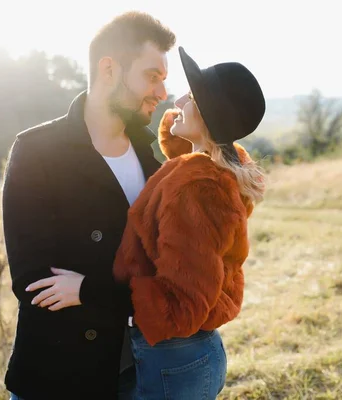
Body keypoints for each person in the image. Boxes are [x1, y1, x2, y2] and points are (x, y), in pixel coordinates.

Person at [32, 46, 267, 399]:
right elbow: (182, 184)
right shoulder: (215, 171)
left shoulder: (198, 188)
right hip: (188, 356)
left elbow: (183, 301)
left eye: (192, 96)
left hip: (174, 360)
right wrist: (179, 133)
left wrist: (87, 291)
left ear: (206, 114)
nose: (180, 99)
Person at [1, 11, 176, 400]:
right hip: (57, 377)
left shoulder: (155, 162)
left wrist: (88, 290)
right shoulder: (37, 152)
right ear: (110, 69)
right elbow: (34, 284)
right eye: (152, 76)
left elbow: (169, 280)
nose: (162, 92)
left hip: (136, 373)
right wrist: (132, 298)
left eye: (164, 79)